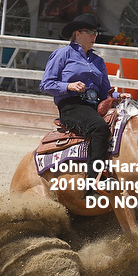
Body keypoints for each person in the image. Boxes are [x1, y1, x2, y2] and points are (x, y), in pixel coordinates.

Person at [39, 13, 130, 196]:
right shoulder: (62, 54)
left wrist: (118, 95)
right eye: (90, 32)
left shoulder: (98, 61)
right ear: (78, 33)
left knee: (124, 127)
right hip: (71, 105)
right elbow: (46, 84)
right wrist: (69, 86)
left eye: (96, 33)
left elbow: (105, 91)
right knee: (99, 128)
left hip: (94, 106)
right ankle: (93, 184)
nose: (94, 36)